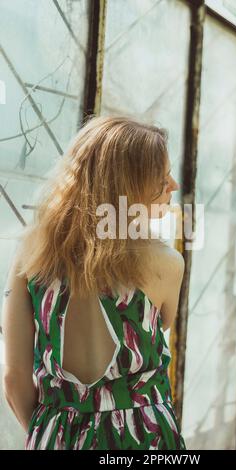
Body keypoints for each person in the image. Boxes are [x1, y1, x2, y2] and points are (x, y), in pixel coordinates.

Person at [1, 115, 187, 450]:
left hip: (54, 435)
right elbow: (164, 325)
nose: (173, 185)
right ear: (127, 187)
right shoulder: (166, 263)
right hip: (144, 440)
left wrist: (55, 436)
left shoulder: (30, 254)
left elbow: (14, 380)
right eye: (161, 178)